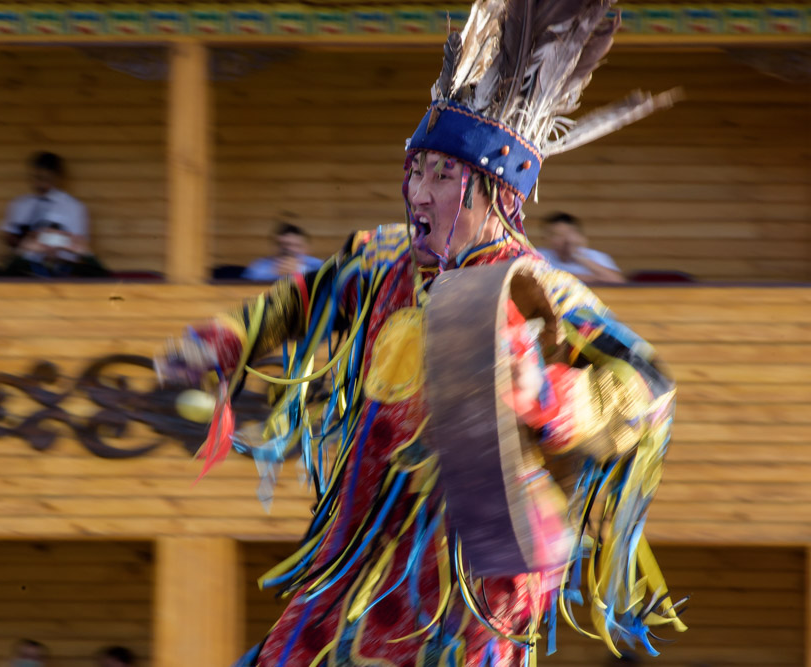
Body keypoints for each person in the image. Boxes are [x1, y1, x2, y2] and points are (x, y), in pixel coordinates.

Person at [158, 1, 684, 664]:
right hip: (358, 549)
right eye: (415, 169)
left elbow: (648, 387)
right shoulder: (381, 261)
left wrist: (547, 393)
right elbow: (302, 300)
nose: (417, 193)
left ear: (496, 193)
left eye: (441, 175)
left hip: (474, 577)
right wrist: (224, 340)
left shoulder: (538, 288)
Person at [0, 151, 89, 248]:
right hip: (25, 261)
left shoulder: (74, 207)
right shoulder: (20, 204)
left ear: (57, 177)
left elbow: (80, 245)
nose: (39, 184)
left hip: (62, 262)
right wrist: (21, 239)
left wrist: (51, 238)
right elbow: (8, 235)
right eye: (35, 178)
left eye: (45, 179)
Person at [539, 212, 626, 284]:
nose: (564, 239)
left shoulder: (596, 256)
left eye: (567, 234)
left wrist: (579, 257)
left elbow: (618, 282)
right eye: (557, 235)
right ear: (547, 239)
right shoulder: (539, 256)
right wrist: (594, 278)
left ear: (578, 235)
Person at [4, 223, 110, 278]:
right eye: (47, 238)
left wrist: (86, 253)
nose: (51, 244)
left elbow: (105, 278)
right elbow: (4, 276)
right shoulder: (26, 267)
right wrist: (23, 249)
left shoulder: (73, 268)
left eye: (56, 239)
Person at [242, 222, 323, 281]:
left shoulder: (318, 264)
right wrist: (274, 274)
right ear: (274, 247)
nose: (290, 249)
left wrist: (301, 271)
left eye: (296, 245)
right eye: (284, 244)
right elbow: (245, 283)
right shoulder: (259, 265)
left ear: (306, 248)